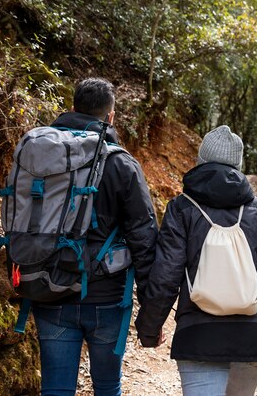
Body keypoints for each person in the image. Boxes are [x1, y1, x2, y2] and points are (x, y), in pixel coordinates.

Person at [135, 125, 257, 396]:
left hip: (199, 333)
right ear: (239, 165)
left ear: (201, 161)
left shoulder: (182, 209)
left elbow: (165, 276)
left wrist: (149, 329)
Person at [32, 78, 158, 396]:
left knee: (56, 390)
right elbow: (144, 238)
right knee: (106, 387)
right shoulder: (122, 164)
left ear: (72, 109)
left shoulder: (42, 155)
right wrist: (151, 308)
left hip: (50, 287)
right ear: (111, 117)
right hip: (107, 296)